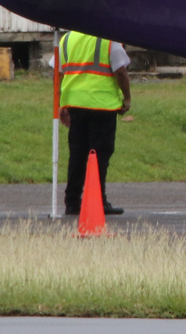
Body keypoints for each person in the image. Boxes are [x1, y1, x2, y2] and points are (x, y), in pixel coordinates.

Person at [55, 29, 131, 217]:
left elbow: (59, 73)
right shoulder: (107, 40)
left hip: (75, 104)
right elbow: (120, 71)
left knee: (77, 155)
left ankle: (72, 202)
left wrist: (61, 103)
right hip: (101, 105)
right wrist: (127, 98)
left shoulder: (66, 39)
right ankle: (98, 200)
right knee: (99, 155)